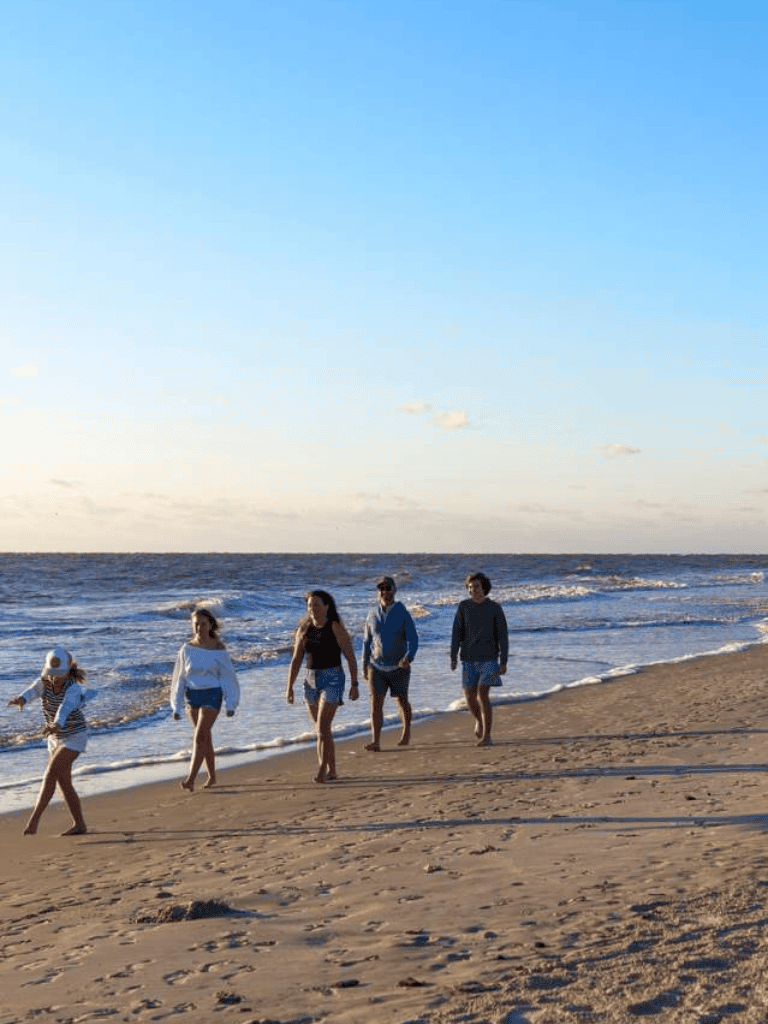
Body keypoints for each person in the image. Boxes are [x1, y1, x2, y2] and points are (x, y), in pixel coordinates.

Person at [8, 647, 96, 836]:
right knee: (64, 782)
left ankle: (33, 822)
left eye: (59, 674)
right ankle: (80, 825)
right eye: (52, 673)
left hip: (75, 737)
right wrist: (22, 699)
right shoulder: (44, 682)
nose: (55, 678)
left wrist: (57, 724)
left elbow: (64, 709)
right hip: (54, 739)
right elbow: (32, 691)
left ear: (67, 671)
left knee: (50, 774)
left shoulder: (73, 688)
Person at [286, 589, 359, 783]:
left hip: (333, 678)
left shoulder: (335, 627)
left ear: (327, 606)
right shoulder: (303, 629)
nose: (313, 609)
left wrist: (354, 684)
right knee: (321, 729)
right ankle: (332, 770)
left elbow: (350, 656)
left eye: (317, 605)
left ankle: (321, 770)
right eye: (310, 606)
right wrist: (289, 687)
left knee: (323, 727)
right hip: (310, 680)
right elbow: (296, 660)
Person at [170, 607, 240, 792]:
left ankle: (190, 779)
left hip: (212, 694)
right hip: (192, 696)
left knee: (199, 735)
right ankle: (212, 776)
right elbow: (180, 677)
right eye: (196, 624)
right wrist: (176, 706)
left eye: (203, 624)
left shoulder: (218, 648)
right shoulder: (186, 649)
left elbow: (228, 676)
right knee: (205, 738)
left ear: (210, 625)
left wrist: (231, 702)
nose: (199, 627)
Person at [450, 572, 508, 746]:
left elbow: (503, 636)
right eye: (470, 587)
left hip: (489, 659)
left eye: (476, 586)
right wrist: (453, 656)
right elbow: (456, 633)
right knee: (469, 698)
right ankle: (479, 721)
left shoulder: (494, 608)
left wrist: (503, 661)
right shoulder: (463, 607)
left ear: (484, 587)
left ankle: (487, 737)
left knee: (483, 694)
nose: (473, 590)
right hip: (468, 659)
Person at [362, 575, 419, 751]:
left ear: (394, 590)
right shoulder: (372, 614)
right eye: (382, 589)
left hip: (398, 666)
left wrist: (408, 658)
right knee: (375, 704)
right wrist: (364, 664)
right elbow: (366, 641)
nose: (385, 592)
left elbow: (413, 639)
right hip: (376, 666)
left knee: (402, 701)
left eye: (389, 588)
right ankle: (376, 741)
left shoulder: (402, 612)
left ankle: (406, 731)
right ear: (378, 592)